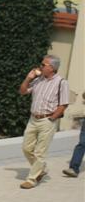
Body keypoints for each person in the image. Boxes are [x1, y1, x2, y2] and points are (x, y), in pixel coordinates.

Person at [18, 54, 70, 190]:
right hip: (33, 119)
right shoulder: (38, 80)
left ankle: (32, 179)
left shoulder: (61, 82)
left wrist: (52, 118)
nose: (40, 66)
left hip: (47, 120)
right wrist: (28, 78)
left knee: (40, 152)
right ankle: (41, 168)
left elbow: (64, 104)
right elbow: (23, 91)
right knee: (26, 148)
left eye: (43, 65)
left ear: (52, 68)